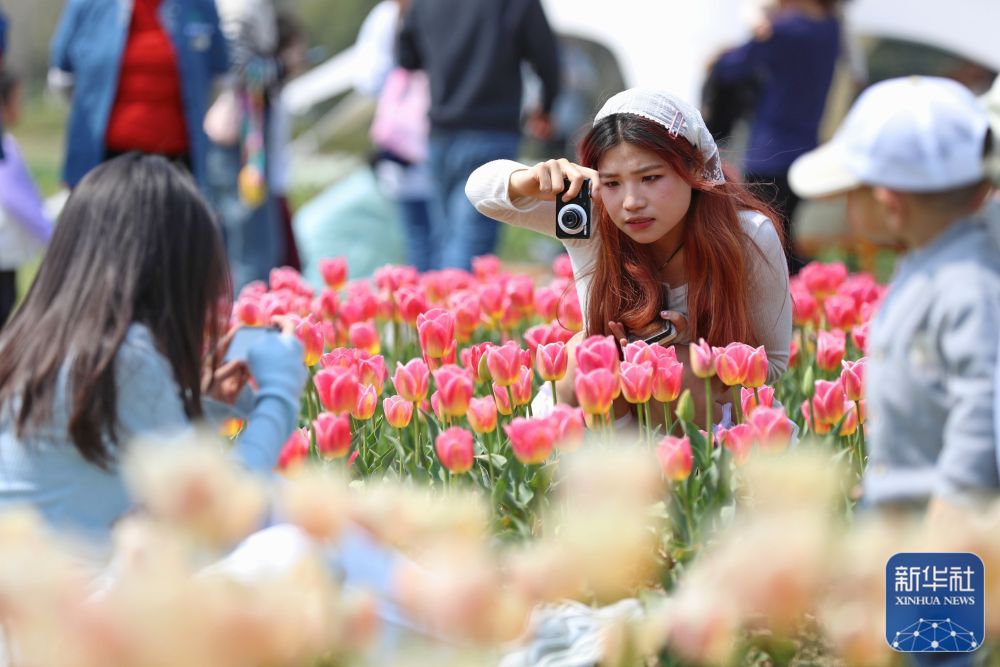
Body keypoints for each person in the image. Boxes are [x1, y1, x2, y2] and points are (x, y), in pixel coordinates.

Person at [0, 153, 307, 543]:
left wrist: (204, 405)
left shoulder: (24, 344)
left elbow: (117, 467)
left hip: (29, 583)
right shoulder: (126, 358)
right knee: (285, 540)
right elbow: (221, 518)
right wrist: (279, 395)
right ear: (169, 272)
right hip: (79, 596)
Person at [466, 88, 791, 424]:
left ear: (693, 168)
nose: (631, 201)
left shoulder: (745, 235)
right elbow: (478, 190)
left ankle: (678, 472)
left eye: (649, 178)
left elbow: (775, 364)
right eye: (613, 182)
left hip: (704, 416)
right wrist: (529, 180)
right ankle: (607, 472)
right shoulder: (591, 219)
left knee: (669, 369)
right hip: (605, 408)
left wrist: (690, 345)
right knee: (582, 357)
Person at [788, 76, 1000, 513]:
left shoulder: (969, 285)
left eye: (850, 193)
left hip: (944, 532)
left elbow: (982, 407)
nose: (845, 206)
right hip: (904, 513)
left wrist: (954, 504)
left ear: (889, 204)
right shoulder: (931, 263)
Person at [397, 0, 561, 270]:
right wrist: (546, 106)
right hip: (491, 132)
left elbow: (407, 57)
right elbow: (546, 54)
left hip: (440, 133)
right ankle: (451, 310)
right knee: (469, 247)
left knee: (443, 239)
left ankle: (432, 308)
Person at [709, 0, 842, 273]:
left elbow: (730, 67)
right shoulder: (831, 29)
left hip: (769, 153)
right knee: (784, 239)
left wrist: (757, 30)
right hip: (803, 149)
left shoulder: (783, 32)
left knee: (762, 241)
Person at [48, 0, 229, 190]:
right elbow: (62, 77)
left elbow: (220, 77)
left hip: (178, 166)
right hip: (103, 165)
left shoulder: (199, 5)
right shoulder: (88, 4)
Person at [208, 0, 303, 289]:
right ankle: (250, 324)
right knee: (252, 250)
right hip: (241, 141)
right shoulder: (242, 8)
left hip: (246, 137)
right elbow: (237, 71)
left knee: (251, 247)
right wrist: (284, 65)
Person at [355, 0, 436, 272]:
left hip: (405, 144)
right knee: (449, 236)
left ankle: (427, 309)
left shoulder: (387, 15)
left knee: (419, 237)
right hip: (449, 131)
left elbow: (368, 78)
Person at [0, 70, 55, 328]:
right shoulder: (5, 146)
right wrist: (52, 237)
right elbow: (16, 199)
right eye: (17, 99)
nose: (20, 107)